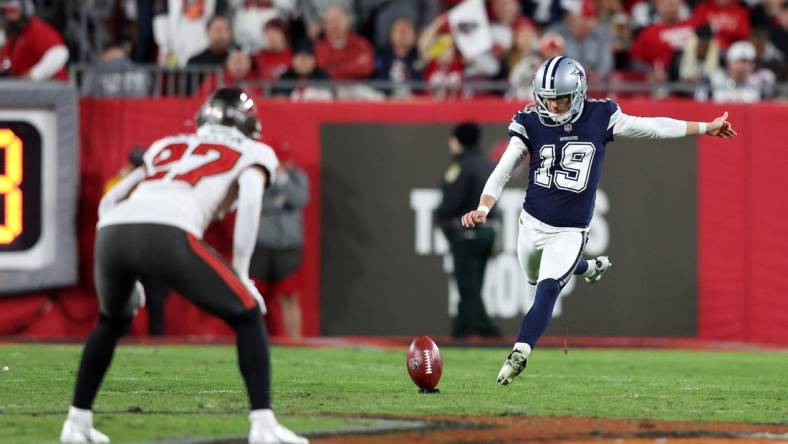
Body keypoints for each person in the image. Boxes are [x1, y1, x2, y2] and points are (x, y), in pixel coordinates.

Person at [459, 57, 736, 386]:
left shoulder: (600, 116)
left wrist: (705, 127)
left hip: (570, 230)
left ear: (577, 94)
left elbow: (652, 127)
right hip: (530, 223)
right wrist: (484, 206)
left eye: (560, 98)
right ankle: (588, 268)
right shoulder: (529, 121)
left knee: (547, 289)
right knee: (534, 275)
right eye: (547, 98)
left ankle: (520, 352)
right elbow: (504, 168)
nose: (553, 105)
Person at [59, 87, 308, 444]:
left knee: (111, 321)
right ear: (247, 124)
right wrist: (240, 273)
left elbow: (111, 199)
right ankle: (263, 425)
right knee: (248, 312)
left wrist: (127, 268)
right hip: (170, 231)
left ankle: (76, 422)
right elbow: (251, 205)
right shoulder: (254, 151)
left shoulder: (167, 144)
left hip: (111, 233)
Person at [437, 123, 502, 339]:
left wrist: (445, 223)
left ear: (457, 140)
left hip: (467, 232)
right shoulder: (487, 165)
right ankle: (460, 333)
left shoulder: (460, 168)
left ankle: (490, 333)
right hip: (488, 231)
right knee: (474, 286)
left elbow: (449, 204)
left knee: (468, 288)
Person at [250, 158, 309, 339]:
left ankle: (295, 341)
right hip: (264, 243)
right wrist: (279, 201)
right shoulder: (263, 176)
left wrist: (283, 180)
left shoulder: (298, 177)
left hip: (289, 245)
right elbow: (258, 202)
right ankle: (253, 338)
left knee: (290, 296)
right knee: (255, 297)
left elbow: (301, 198)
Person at [0, 0, 68, 81]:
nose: (8, 16)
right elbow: (6, 62)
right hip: (25, 88)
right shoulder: (13, 35)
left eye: (13, 12)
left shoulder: (37, 30)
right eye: (5, 12)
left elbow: (59, 52)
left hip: (51, 87)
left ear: (24, 12)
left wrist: (34, 74)